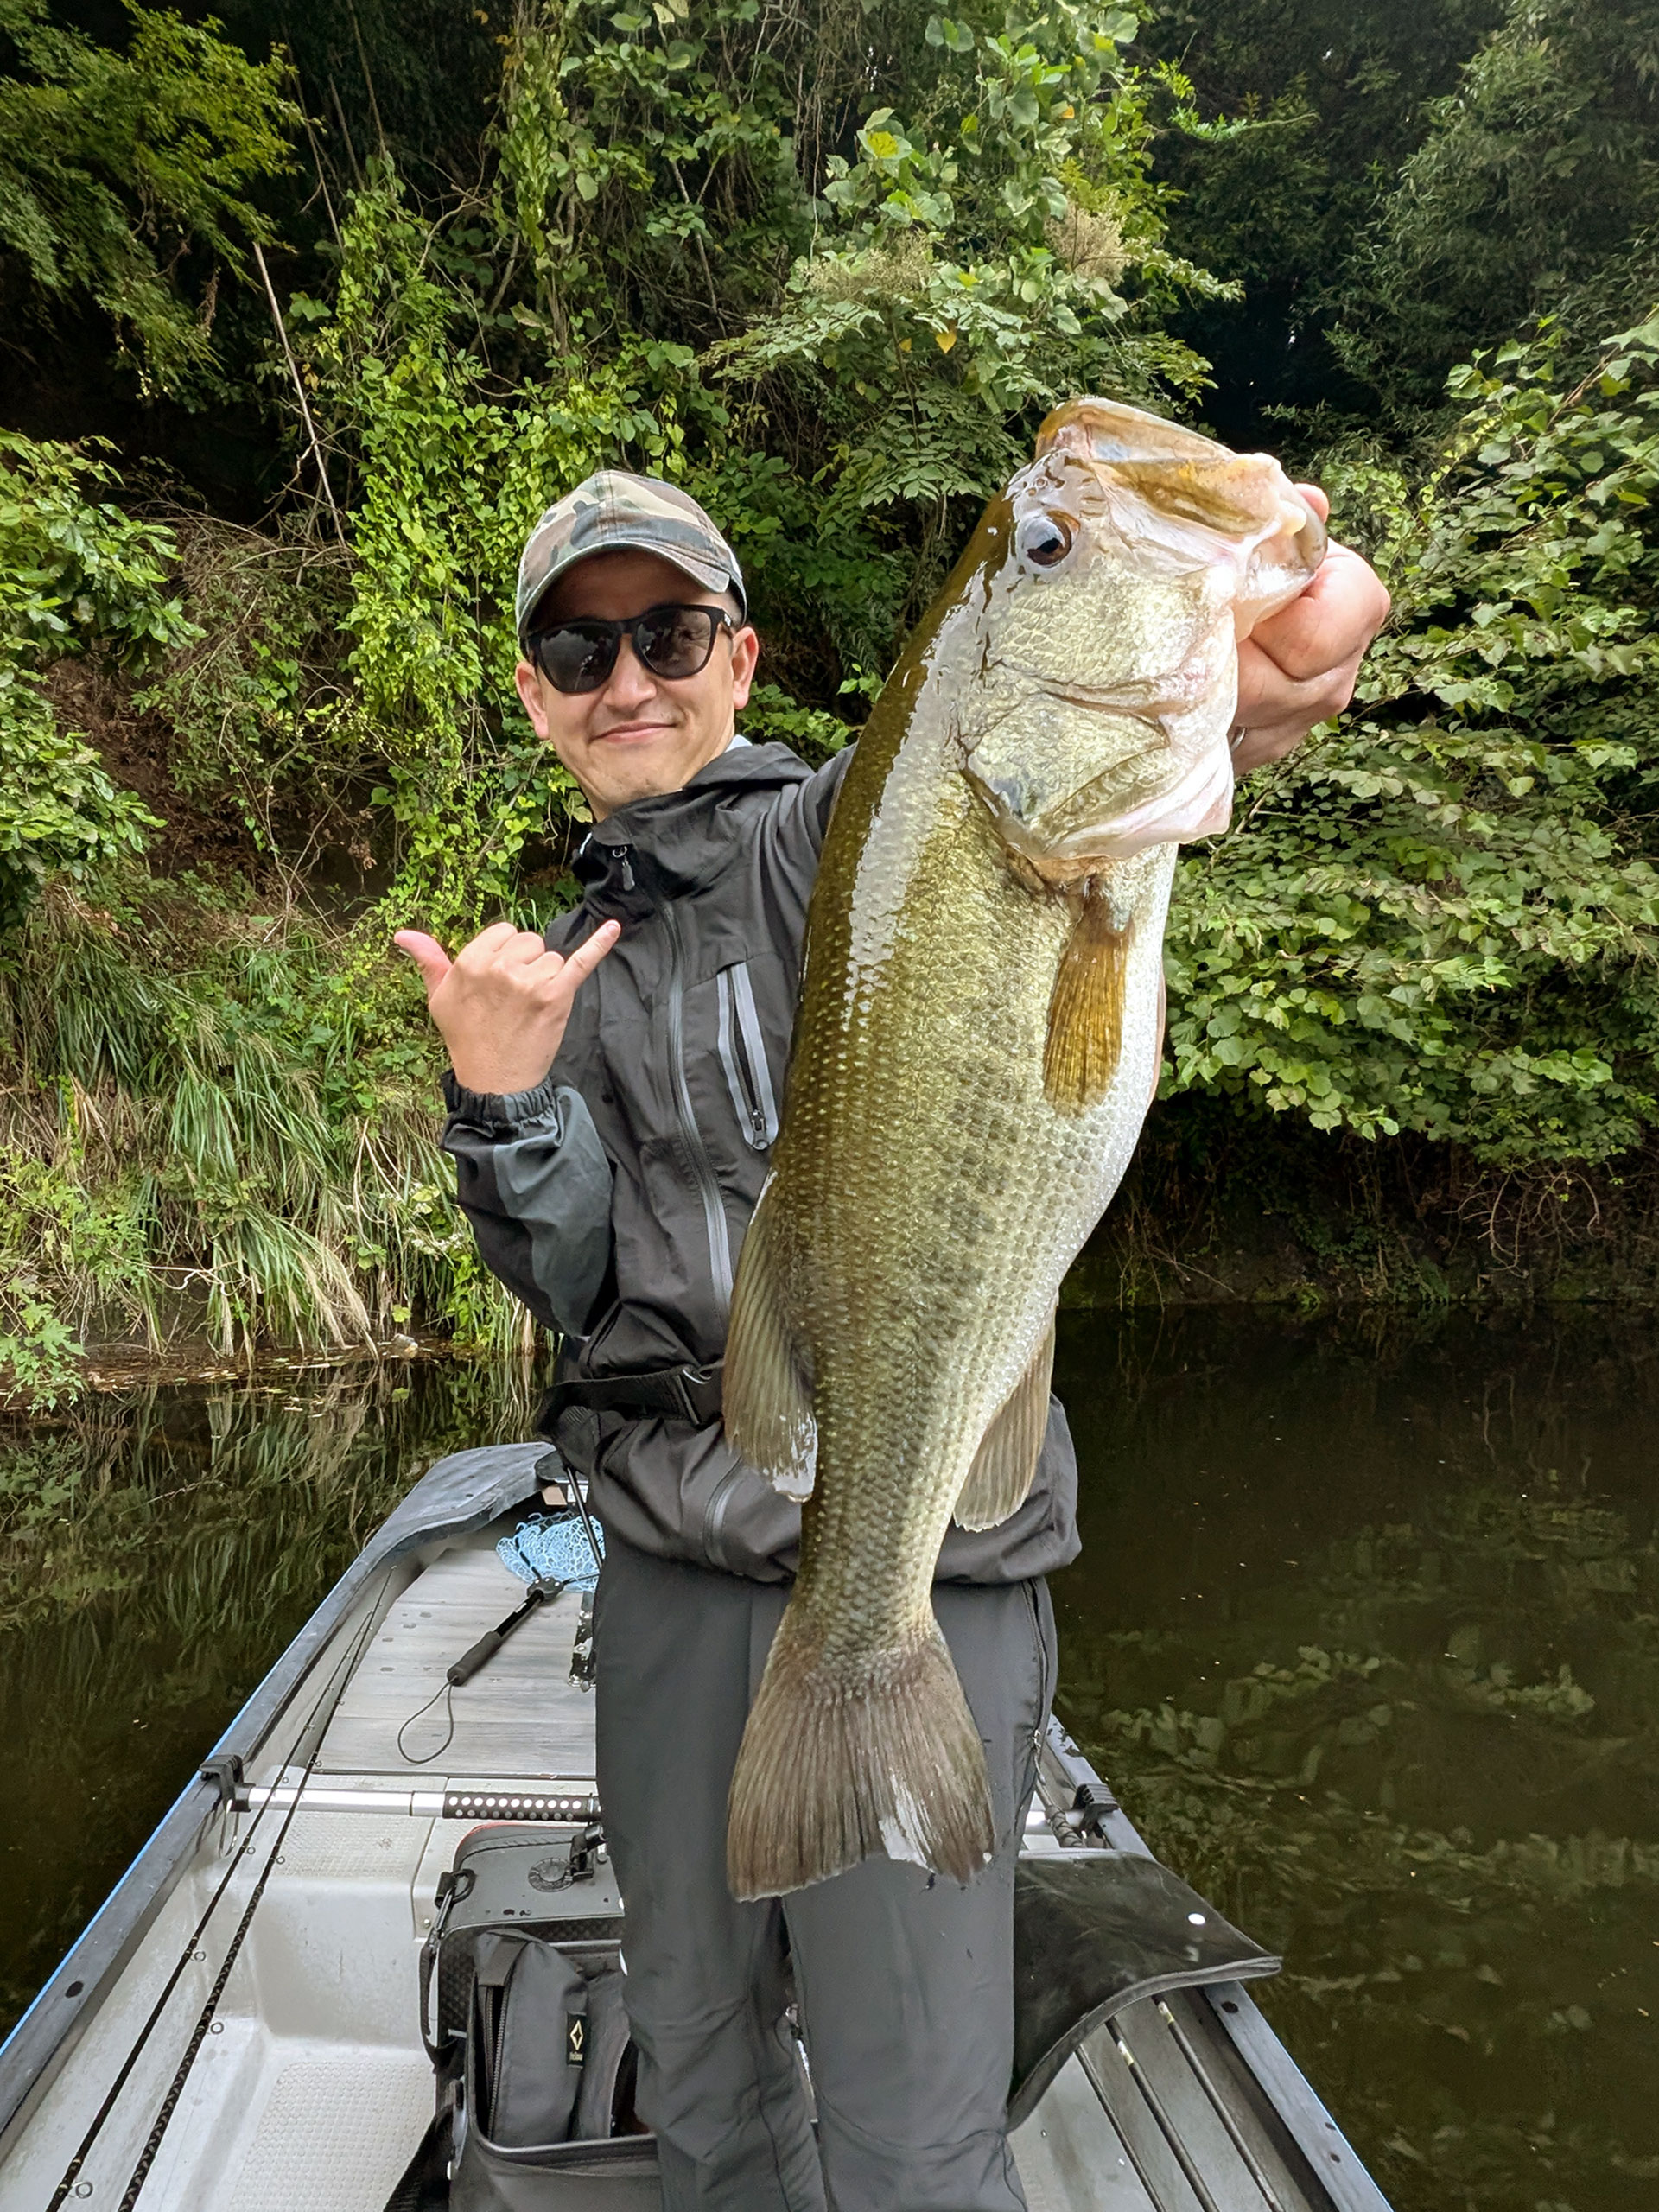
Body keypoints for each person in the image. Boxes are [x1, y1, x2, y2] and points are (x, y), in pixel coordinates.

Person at [395, 469, 1389, 2210]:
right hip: (674, 1557)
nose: (627, 679)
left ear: (740, 659)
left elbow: (1104, 737)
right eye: (580, 649)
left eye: (668, 634)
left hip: (927, 1548)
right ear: (537, 696)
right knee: (698, 2067)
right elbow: (579, 1289)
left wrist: (1254, 642)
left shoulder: (858, 825)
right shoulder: (543, 975)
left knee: (912, 2116)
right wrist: (499, 1100)